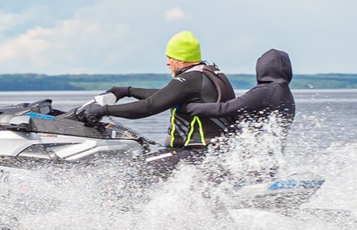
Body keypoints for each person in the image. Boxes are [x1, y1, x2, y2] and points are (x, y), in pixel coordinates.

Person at [77, 31, 238, 153]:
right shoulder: (206, 74)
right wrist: (127, 91)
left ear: (181, 59)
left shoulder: (191, 78)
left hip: (195, 154)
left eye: (170, 57)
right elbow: (166, 95)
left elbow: (151, 106)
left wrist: (105, 110)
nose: (167, 63)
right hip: (210, 152)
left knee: (135, 173)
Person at [181, 47, 294, 133]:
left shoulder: (265, 92)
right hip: (268, 157)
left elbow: (224, 109)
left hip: (248, 156)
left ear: (261, 67)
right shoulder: (285, 94)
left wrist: (187, 107)